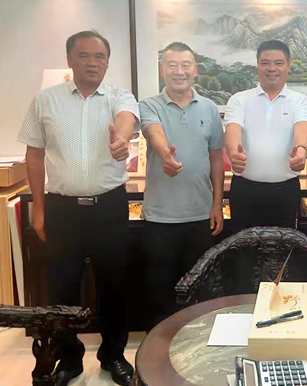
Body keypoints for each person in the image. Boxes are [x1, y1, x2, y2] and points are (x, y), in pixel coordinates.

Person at [18, 30, 139, 386]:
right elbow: (34, 155)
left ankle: (113, 355)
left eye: (99, 56)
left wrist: (121, 138)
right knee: (62, 288)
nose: (92, 62)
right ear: (69, 60)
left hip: (109, 206)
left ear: (108, 62)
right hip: (62, 209)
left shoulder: (119, 96)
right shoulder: (45, 101)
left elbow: (127, 119)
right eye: (84, 55)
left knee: (114, 285)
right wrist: (40, 210)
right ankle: (69, 358)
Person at [139, 42, 224, 329]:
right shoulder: (149, 105)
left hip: (200, 217)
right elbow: (154, 132)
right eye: (172, 65)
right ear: (162, 70)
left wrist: (217, 204)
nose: (179, 71)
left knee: (199, 294)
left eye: (185, 65)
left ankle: (195, 348)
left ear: (195, 70)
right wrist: (165, 155)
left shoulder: (210, 108)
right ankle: (158, 350)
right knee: (159, 295)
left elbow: (216, 159)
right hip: (159, 219)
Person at [224, 40, 307, 232]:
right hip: (244, 190)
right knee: (243, 245)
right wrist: (233, 153)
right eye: (265, 63)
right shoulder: (239, 99)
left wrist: (301, 151)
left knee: (284, 246)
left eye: (278, 63)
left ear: (288, 65)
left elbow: (303, 128)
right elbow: (232, 129)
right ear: (257, 65)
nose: (271, 68)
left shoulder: (300, 101)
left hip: (285, 191)